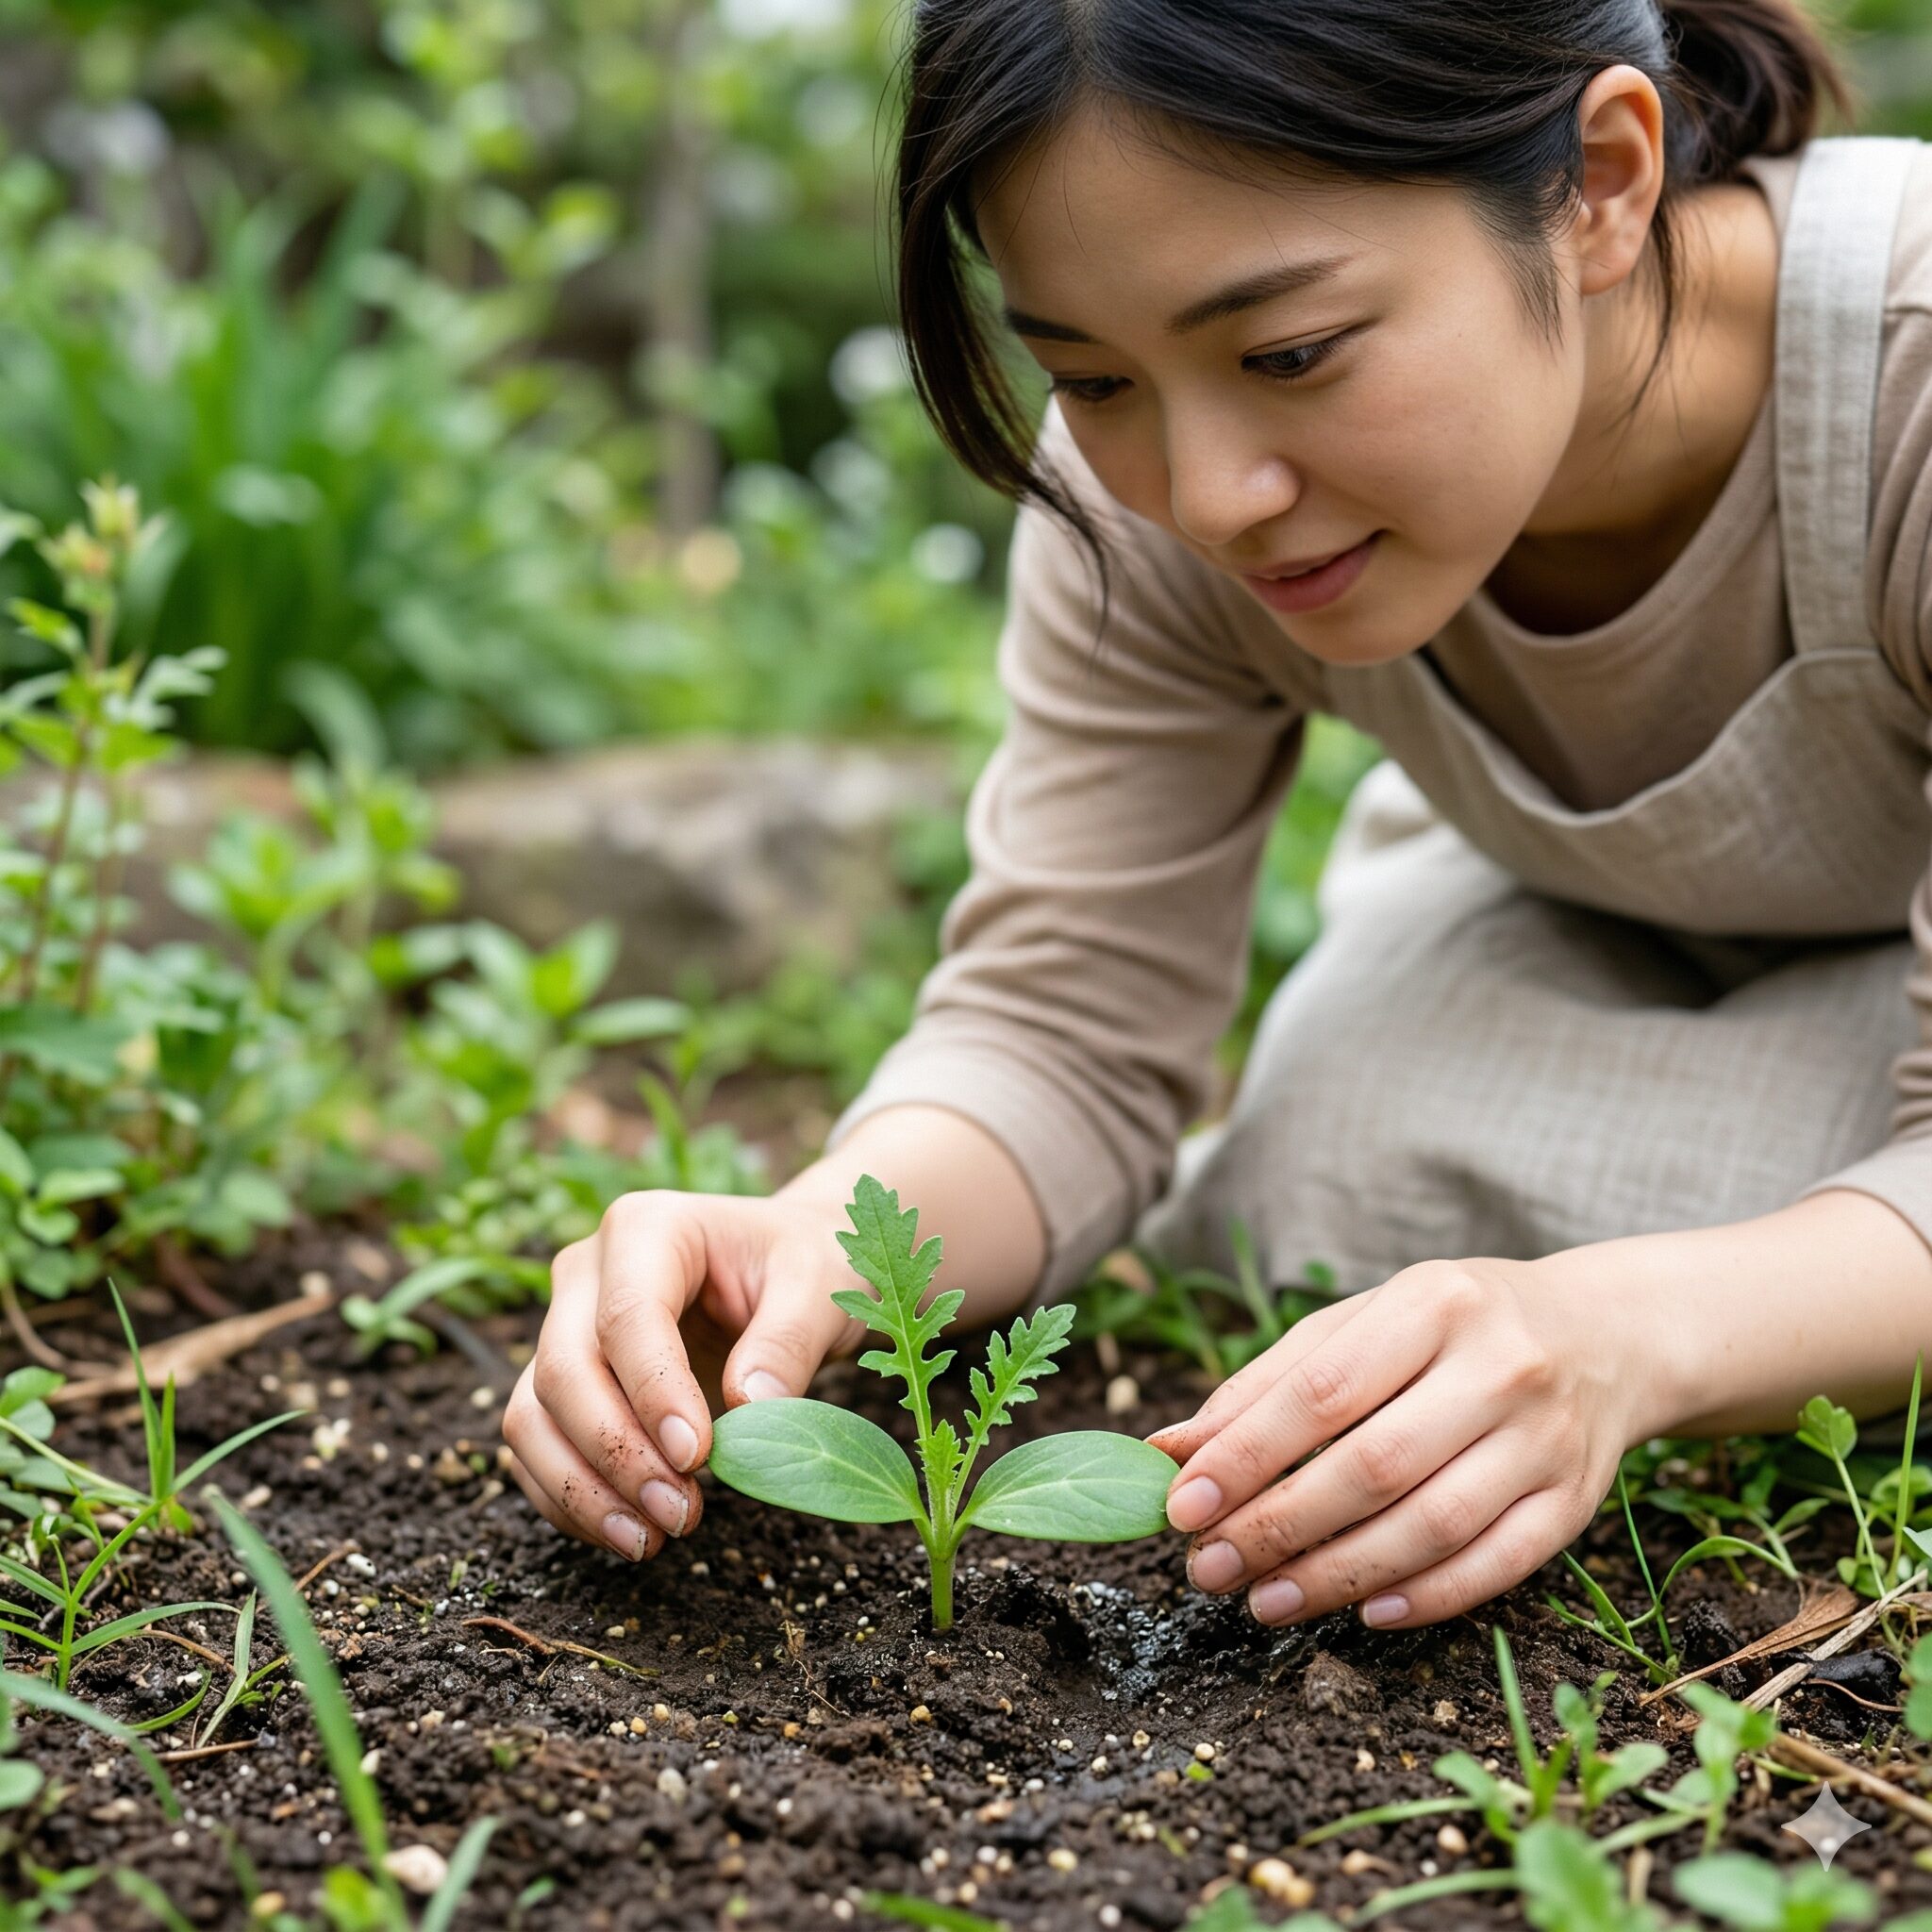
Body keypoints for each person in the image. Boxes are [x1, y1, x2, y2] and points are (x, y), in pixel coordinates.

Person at [502, 0, 1932, 1635]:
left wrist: (1626, 1335)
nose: (1206, 496)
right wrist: (816, 1239)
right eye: (1092, 377)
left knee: (1508, 1218)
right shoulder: (1147, 501)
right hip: (1574, 918)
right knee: (1321, 1172)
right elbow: (1065, 1030)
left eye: (1290, 353)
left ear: (1601, 181)